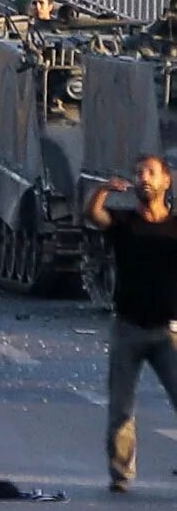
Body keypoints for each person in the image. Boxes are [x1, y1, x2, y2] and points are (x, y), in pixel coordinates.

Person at [84, 156, 177, 493]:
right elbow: (92, 216)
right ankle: (121, 474)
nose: (144, 179)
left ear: (167, 181)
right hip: (128, 328)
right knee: (121, 407)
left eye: (151, 172)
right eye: (139, 173)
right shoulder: (124, 223)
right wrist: (102, 190)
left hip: (167, 330)